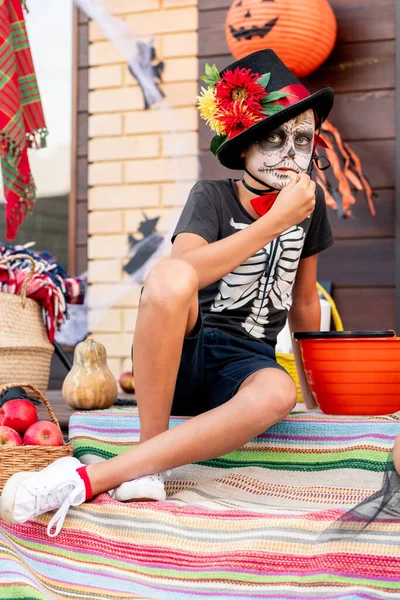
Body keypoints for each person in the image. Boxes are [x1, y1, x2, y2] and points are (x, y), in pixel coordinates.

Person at [0, 50, 335, 537]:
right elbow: (180, 274)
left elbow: (305, 302)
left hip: (245, 369)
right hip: (183, 350)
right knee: (169, 275)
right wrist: (276, 221)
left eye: (302, 139)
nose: (289, 152)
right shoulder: (212, 196)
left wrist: (312, 399)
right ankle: (150, 454)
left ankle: (93, 478)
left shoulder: (313, 206)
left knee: (278, 391)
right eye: (274, 137)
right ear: (243, 147)